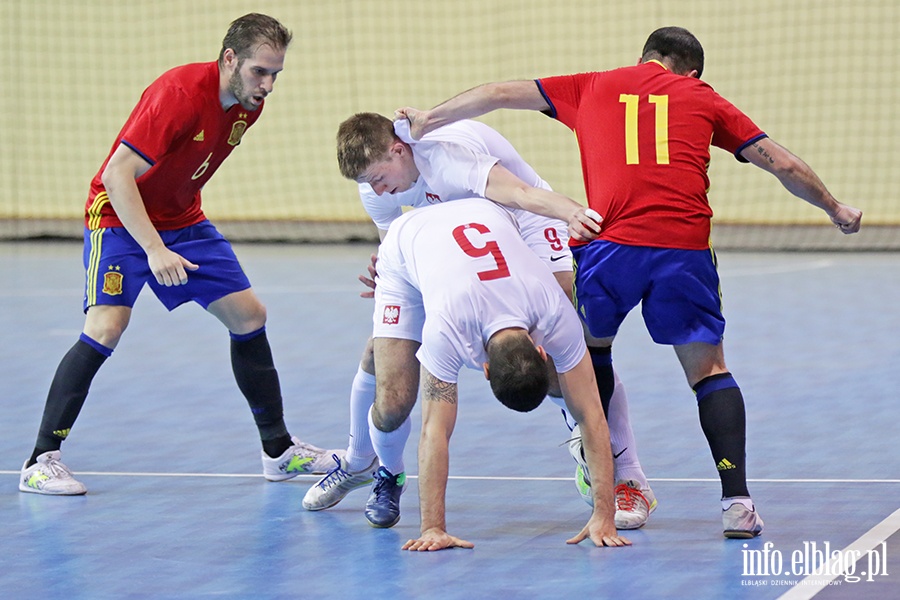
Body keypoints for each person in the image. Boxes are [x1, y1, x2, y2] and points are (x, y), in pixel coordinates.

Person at [396, 26, 863, 539]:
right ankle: (737, 502)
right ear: (691, 71)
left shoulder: (592, 85)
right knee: (709, 371)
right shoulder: (702, 97)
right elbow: (783, 163)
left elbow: (498, 93)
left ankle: (618, 485)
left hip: (609, 246)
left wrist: (428, 120)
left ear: (644, 58)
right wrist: (835, 207)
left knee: (591, 352)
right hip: (682, 251)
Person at [19, 13, 338, 496]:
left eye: (276, 74)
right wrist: (153, 248)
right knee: (106, 326)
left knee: (249, 316)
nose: (268, 84)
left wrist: (172, 236)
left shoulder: (248, 106)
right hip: (120, 219)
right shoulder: (179, 93)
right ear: (229, 58)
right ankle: (40, 461)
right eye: (259, 71)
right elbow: (117, 176)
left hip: (183, 220)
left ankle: (279, 452)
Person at [304, 112, 657, 530]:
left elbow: (524, 194)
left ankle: (624, 469)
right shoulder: (377, 186)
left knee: (565, 335)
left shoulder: (448, 157)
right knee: (387, 360)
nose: (377, 190)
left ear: (399, 151)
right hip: (452, 239)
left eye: (380, 178)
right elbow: (395, 252)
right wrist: (388, 276)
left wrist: (574, 212)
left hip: (519, 216)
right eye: (368, 184)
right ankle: (361, 460)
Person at [370, 196, 631, 550]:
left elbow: (591, 414)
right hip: (406, 242)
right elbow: (433, 430)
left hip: (487, 213)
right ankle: (384, 468)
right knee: (393, 402)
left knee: (575, 390)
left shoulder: (554, 309)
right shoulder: (447, 328)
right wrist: (432, 526)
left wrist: (605, 513)